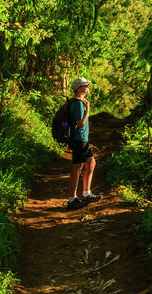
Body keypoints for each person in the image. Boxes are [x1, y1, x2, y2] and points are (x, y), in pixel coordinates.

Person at [65, 77, 100, 209]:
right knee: (77, 168)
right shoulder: (78, 104)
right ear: (79, 88)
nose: (88, 87)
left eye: (88, 85)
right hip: (79, 139)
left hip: (83, 140)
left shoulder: (81, 102)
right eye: (85, 85)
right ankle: (72, 199)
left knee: (91, 164)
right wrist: (88, 109)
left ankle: (86, 193)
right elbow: (80, 124)